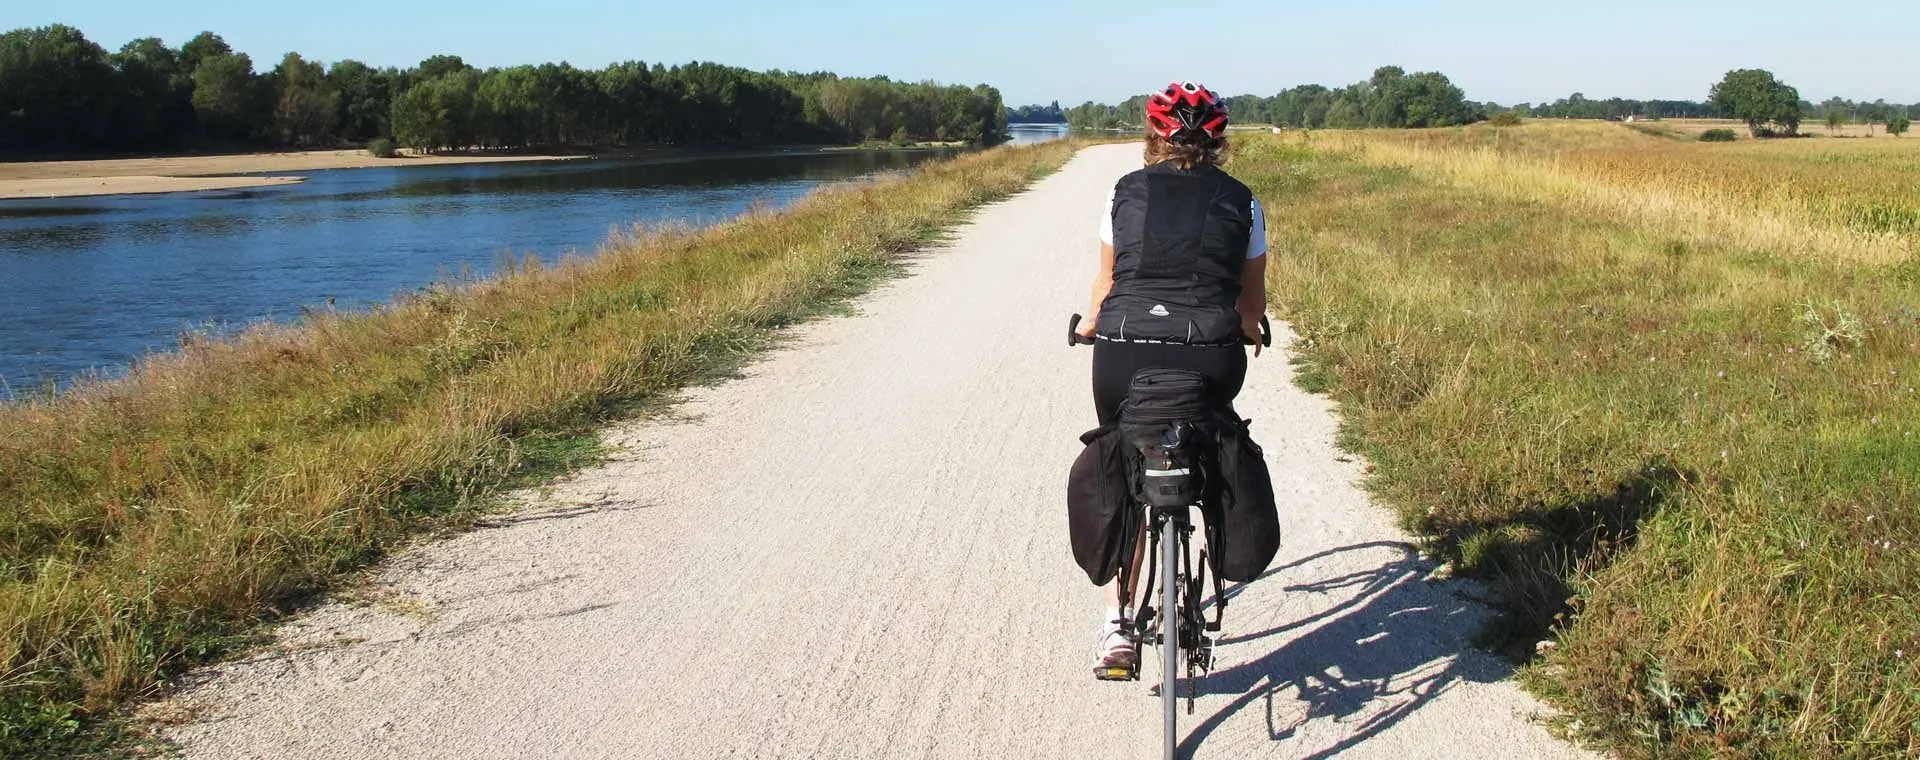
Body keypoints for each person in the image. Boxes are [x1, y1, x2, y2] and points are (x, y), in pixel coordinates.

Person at [1073, 81, 1267, 679]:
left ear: (1153, 137)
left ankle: (1115, 626)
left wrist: (1090, 329)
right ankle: (1209, 512)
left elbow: (1107, 288)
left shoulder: (1123, 192)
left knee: (1124, 454)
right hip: (1209, 353)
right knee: (1209, 431)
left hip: (1123, 353)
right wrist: (1252, 330)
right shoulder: (1244, 202)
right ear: (1220, 142)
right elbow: (1251, 306)